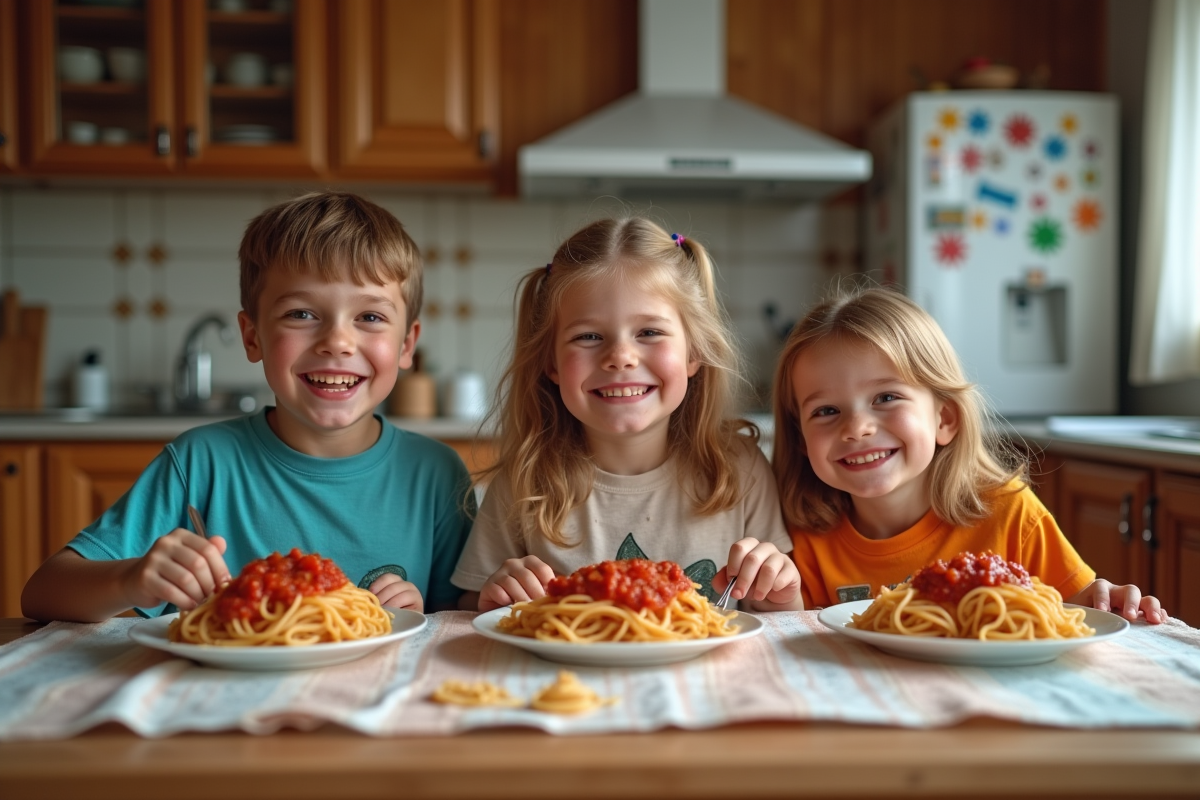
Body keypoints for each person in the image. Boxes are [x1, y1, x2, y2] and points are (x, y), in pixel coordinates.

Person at [22, 191, 474, 622]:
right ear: (252, 336)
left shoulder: (435, 474)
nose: (337, 341)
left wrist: (417, 610)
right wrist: (133, 579)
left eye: (370, 317)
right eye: (301, 313)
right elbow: (43, 592)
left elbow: (457, 620)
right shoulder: (201, 463)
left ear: (406, 344)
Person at [452, 218, 802, 613]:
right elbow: (470, 612)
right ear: (550, 362)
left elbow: (773, 621)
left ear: (693, 353)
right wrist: (495, 596)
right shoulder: (524, 482)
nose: (620, 357)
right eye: (588, 337)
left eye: (649, 332)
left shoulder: (740, 471)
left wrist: (781, 591)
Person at [773, 284, 1166, 623]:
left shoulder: (1009, 514)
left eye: (886, 397)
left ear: (945, 418)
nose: (857, 427)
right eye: (826, 411)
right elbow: (798, 637)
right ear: (802, 440)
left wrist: (1106, 599)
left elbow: (1075, 610)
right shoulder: (804, 536)